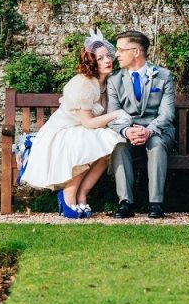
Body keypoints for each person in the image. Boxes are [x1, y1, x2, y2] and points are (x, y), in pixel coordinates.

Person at [19, 30, 130, 219]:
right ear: (92, 61)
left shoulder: (106, 84)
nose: (107, 60)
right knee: (84, 145)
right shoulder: (83, 84)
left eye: (108, 56)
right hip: (63, 131)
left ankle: (82, 195)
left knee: (105, 151)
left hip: (84, 129)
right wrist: (117, 114)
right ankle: (68, 196)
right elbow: (87, 122)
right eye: (100, 58)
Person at [107, 30, 175, 219]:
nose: (117, 55)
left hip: (158, 130)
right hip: (127, 132)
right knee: (119, 146)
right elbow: (112, 116)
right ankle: (125, 203)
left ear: (136, 52)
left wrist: (149, 131)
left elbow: (167, 113)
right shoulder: (114, 81)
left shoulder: (163, 76)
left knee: (156, 144)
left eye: (121, 50)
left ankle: (155, 203)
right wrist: (127, 131)